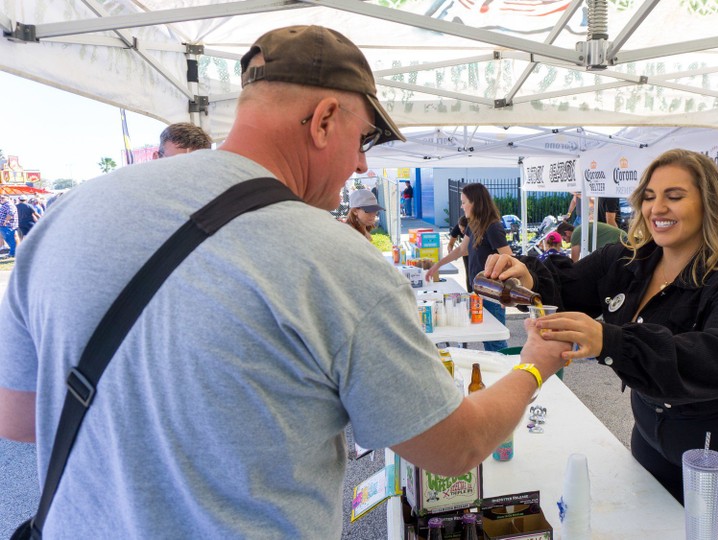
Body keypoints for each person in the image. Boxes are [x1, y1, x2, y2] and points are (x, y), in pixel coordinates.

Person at [0, 25, 569, 538]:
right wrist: (535, 363)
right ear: (323, 120)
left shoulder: (68, 214)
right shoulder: (334, 262)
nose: (363, 166)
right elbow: (456, 447)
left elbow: (19, 418)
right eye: (364, 140)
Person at [484, 149, 718, 540]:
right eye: (650, 196)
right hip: (657, 433)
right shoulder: (628, 260)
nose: (658, 207)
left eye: (674, 196)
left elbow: (717, 359)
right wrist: (527, 278)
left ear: (710, 203)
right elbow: (568, 285)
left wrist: (610, 341)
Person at [425, 183, 512, 351]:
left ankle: (507, 371)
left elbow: (509, 258)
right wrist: (437, 265)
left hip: (493, 292)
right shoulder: (474, 224)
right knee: (487, 338)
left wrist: (507, 293)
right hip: (478, 290)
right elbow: (461, 250)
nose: (462, 206)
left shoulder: (493, 227)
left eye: (464, 202)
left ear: (475, 203)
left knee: (495, 339)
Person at [555, 217, 626, 262]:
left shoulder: (575, 234)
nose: (566, 242)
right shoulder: (580, 230)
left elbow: (574, 261)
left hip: (620, 242)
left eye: (564, 239)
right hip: (621, 240)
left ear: (567, 233)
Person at [447, 215, 472, 291]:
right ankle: (470, 292)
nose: (461, 232)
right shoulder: (457, 227)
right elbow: (450, 244)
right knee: (468, 273)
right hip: (466, 249)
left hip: (476, 249)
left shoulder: (473, 228)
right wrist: (450, 251)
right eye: (460, 229)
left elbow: (474, 251)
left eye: (463, 231)